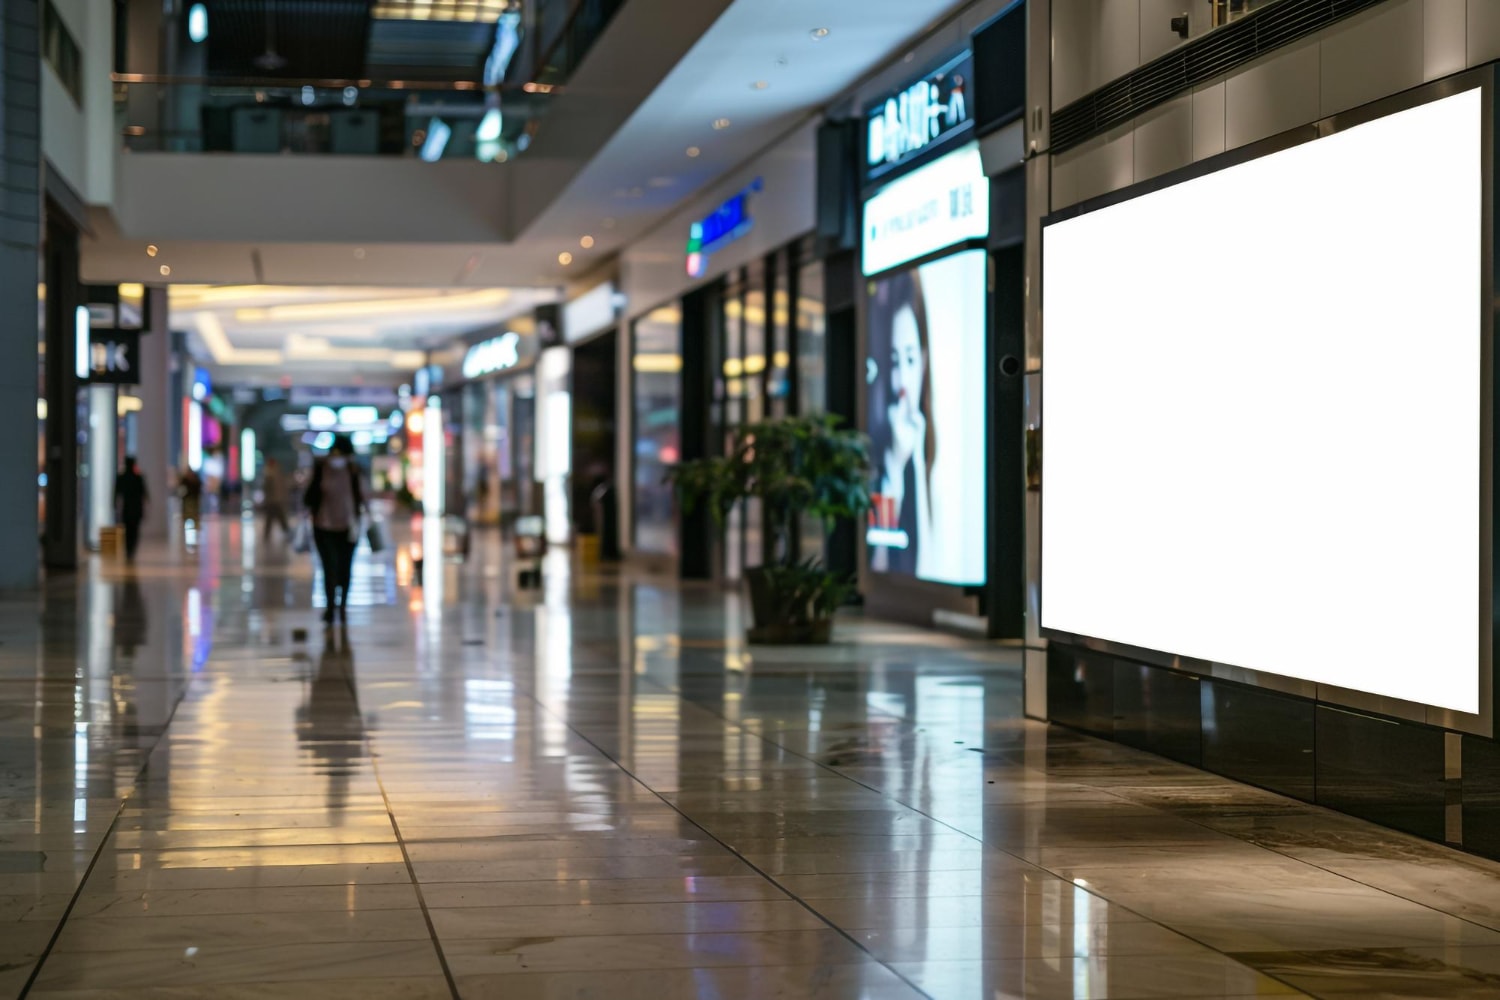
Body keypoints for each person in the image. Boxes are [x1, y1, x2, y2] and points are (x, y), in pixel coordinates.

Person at [868, 269, 934, 576]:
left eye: (910, 360)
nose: (902, 383)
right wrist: (895, 468)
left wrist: (917, 461)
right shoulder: (875, 445)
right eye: (893, 362)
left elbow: (929, 566)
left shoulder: (929, 442)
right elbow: (878, 569)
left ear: (923, 361)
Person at [304, 436, 366, 625]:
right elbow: (308, 498)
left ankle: (342, 606)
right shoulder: (321, 470)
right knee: (329, 567)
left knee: (345, 568)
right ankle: (331, 607)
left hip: (348, 527)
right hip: (323, 527)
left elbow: (361, 497)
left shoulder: (353, 472)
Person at [114, 457, 148, 563]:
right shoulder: (138, 478)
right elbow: (145, 494)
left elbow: (116, 493)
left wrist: (114, 505)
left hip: (127, 508)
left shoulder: (122, 477)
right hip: (136, 509)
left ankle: (129, 550)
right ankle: (131, 550)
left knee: (128, 531)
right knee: (134, 531)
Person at [261, 457, 291, 542]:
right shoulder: (273, 474)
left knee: (275, 519)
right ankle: (286, 533)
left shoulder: (271, 474)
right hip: (274, 501)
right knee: (276, 519)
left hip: (274, 500)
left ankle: (285, 533)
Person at [179, 467, 203, 531]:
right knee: (186, 513)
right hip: (187, 499)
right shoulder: (184, 480)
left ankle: (196, 525)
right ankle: (184, 525)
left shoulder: (195, 479)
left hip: (194, 499)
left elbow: (199, 487)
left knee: (195, 513)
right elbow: (181, 489)